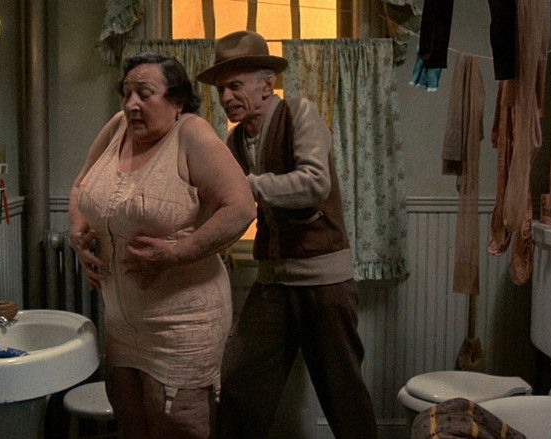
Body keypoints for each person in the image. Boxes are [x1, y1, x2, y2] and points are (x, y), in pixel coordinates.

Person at [196, 30, 378, 438]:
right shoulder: (235, 140)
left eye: (234, 86)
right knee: (239, 386)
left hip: (324, 284)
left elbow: (315, 183)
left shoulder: (301, 114)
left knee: (343, 396)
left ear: (267, 84)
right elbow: (226, 203)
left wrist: (246, 186)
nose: (225, 97)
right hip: (273, 282)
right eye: (221, 89)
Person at [68, 52, 255, 439]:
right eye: (127, 93)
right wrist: (77, 233)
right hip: (121, 320)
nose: (131, 104)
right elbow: (80, 186)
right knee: (129, 420)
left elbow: (241, 208)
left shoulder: (191, 134)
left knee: (177, 424)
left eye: (144, 93)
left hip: (181, 324)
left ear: (177, 100)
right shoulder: (118, 127)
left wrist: (175, 253)